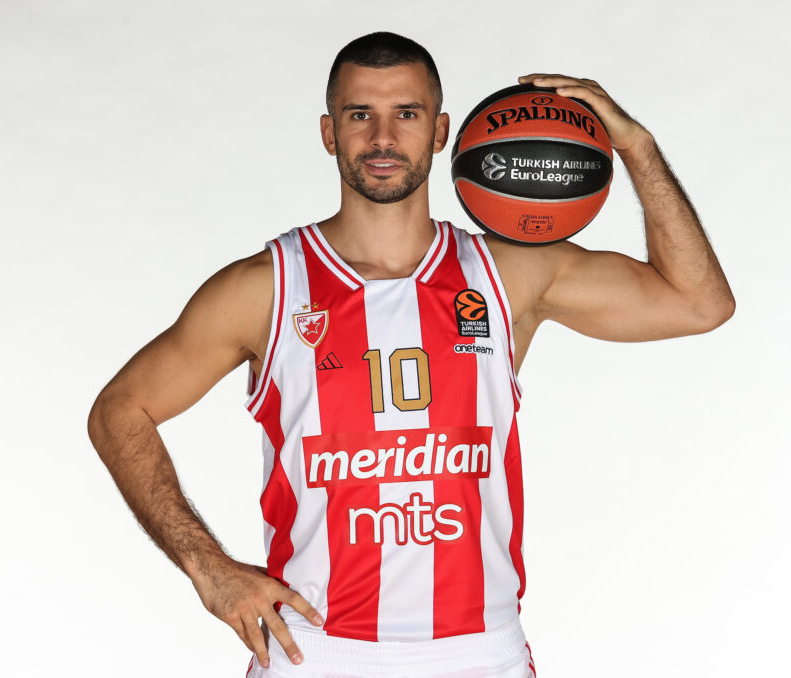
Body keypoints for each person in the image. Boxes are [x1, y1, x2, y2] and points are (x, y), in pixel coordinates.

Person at [87, 31, 734, 678]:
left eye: (407, 114)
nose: (383, 138)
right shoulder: (265, 287)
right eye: (359, 114)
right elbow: (120, 410)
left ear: (443, 129)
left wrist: (637, 149)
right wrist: (208, 568)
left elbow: (698, 303)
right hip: (315, 652)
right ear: (328, 132)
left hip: (479, 653)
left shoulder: (509, 272)